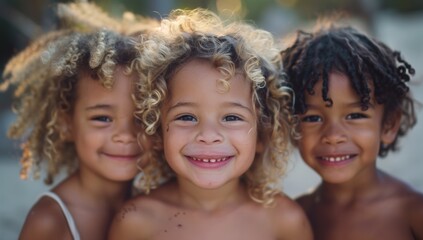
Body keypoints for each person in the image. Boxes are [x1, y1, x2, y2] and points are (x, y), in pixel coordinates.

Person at [109, 8, 313, 240]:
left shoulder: (284, 221)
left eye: (231, 117)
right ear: (157, 132)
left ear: (262, 134)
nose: (208, 135)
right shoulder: (136, 221)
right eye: (186, 117)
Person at [0, 2, 156, 239]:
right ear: (66, 124)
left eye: (141, 118)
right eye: (102, 118)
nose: (124, 134)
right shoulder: (50, 222)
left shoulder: (158, 203)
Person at [281, 22, 423, 240]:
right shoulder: (296, 216)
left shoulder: (415, 213)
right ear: (292, 126)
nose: (333, 135)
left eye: (354, 116)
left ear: (388, 124)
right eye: (313, 118)